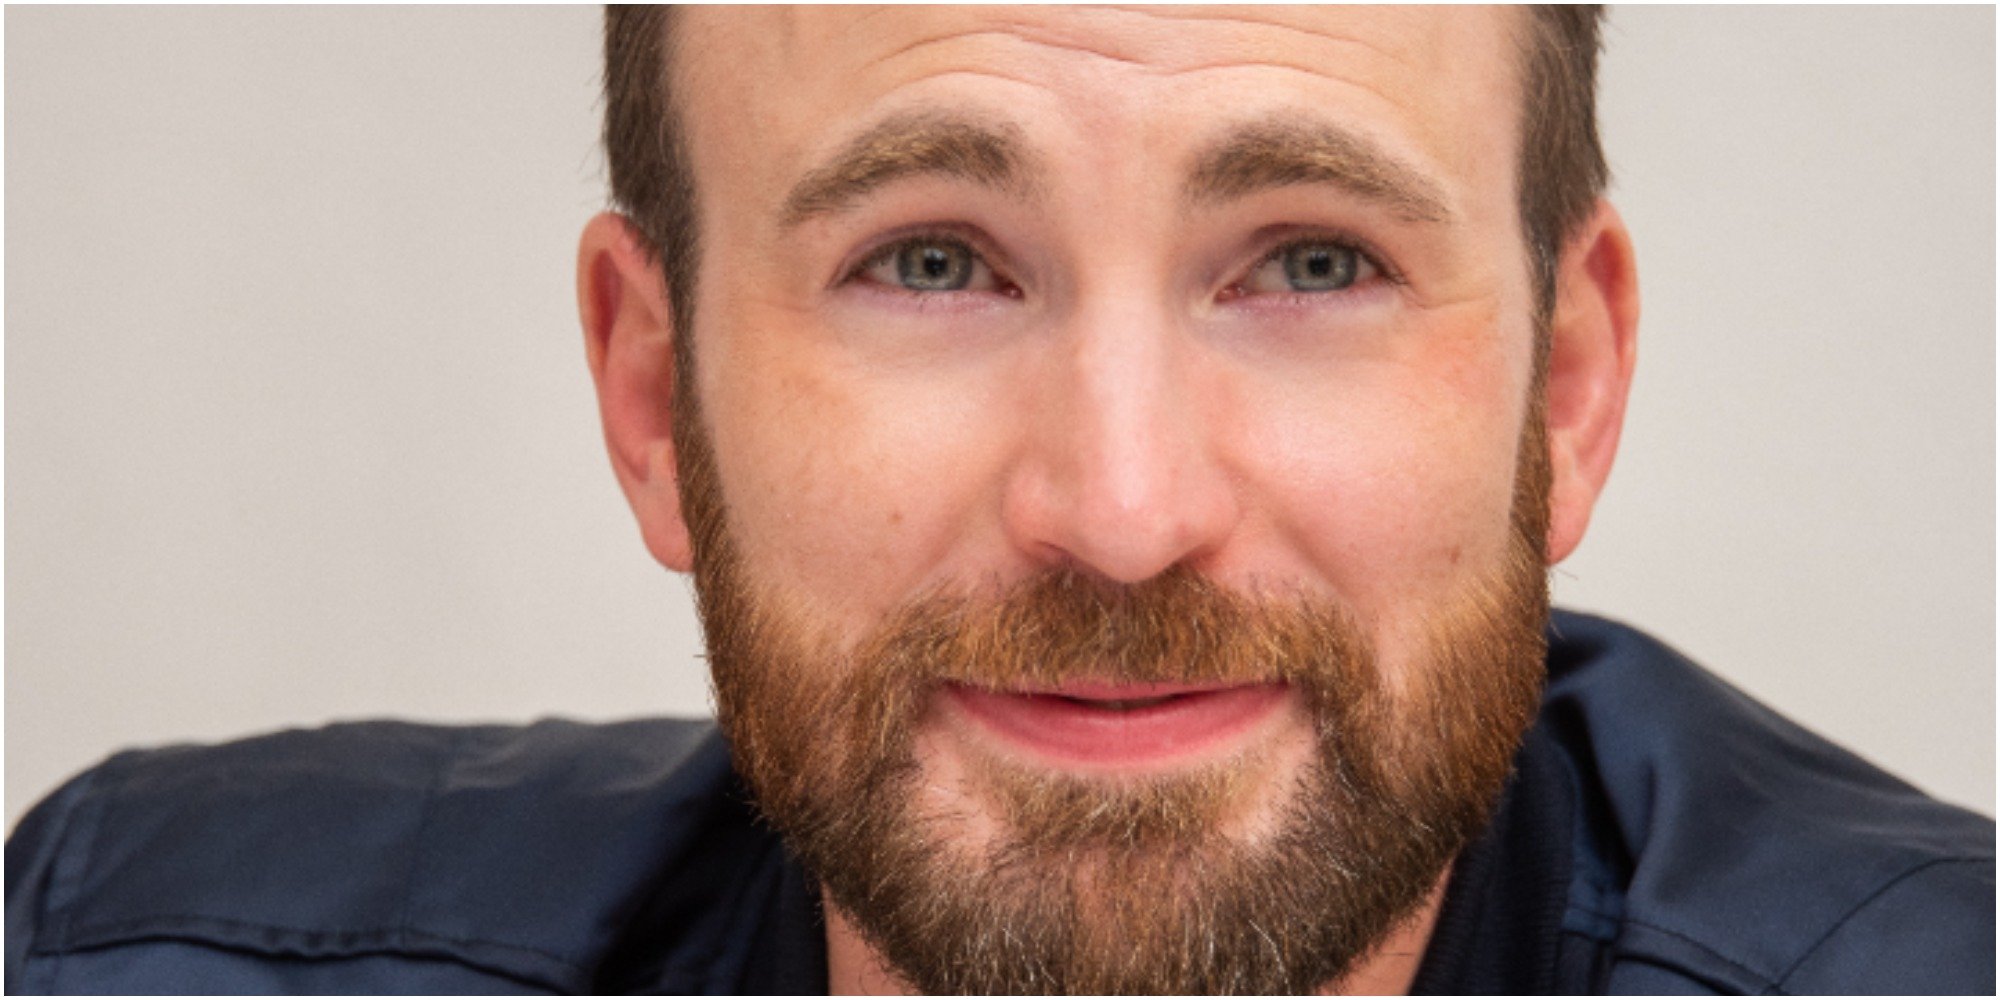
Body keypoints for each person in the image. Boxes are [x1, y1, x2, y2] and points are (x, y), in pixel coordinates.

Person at [6, 6, 1991, 995]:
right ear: (648, 389)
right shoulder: (120, 948)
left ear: (1567, 382)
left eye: (1310, 260)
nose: (1120, 511)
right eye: (930, 262)